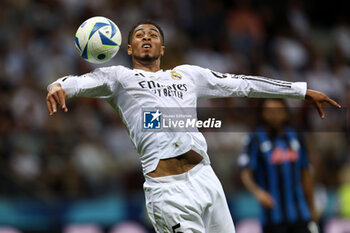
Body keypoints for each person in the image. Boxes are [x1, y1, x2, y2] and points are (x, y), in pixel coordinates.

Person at [46, 20, 340, 233]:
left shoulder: (188, 75)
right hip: (168, 193)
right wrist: (57, 86)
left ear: (163, 47)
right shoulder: (118, 78)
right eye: (139, 35)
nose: (146, 37)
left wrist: (299, 91)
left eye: (153, 34)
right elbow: (74, 83)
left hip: (206, 180)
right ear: (128, 46)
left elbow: (243, 84)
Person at [239, 99, 319, 233]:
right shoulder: (255, 139)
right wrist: (258, 192)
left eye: (278, 111)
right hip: (273, 218)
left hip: (300, 214)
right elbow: (245, 172)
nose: (274, 116)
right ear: (262, 114)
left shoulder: (296, 137)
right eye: (269, 111)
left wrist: (312, 206)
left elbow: (305, 172)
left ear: (286, 113)